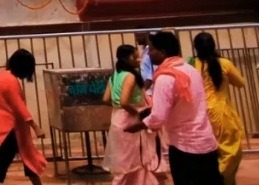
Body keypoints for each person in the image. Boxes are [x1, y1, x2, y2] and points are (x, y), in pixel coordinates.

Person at [125, 31, 221, 185]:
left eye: (152, 49)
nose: (149, 53)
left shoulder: (165, 78)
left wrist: (135, 126)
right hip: (206, 143)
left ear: (162, 52)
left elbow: (158, 117)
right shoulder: (191, 70)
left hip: (184, 147)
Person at [190, 33, 245, 184]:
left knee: (210, 153)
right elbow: (240, 83)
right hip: (221, 112)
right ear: (213, 45)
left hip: (200, 114)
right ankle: (216, 179)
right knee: (231, 151)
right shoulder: (224, 63)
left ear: (196, 47)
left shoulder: (192, 65)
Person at [0, 48, 45, 185]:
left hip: (10, 127)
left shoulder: (4, 75)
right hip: (11, 130)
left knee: (28, 162)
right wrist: (35, 127)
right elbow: (19, 107)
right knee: (0, 166)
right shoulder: (11, 81)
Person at [102, 45, 159, 185]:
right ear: (127, 58)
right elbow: (124, 102)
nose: (138, 60)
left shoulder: (114, 76)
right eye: (135, 57)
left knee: (127, 156)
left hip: (117, 118)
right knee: (130, 159)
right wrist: (137, 112)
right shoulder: (130, 76)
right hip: (130, 119)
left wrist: (117, 106)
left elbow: (106, 99)